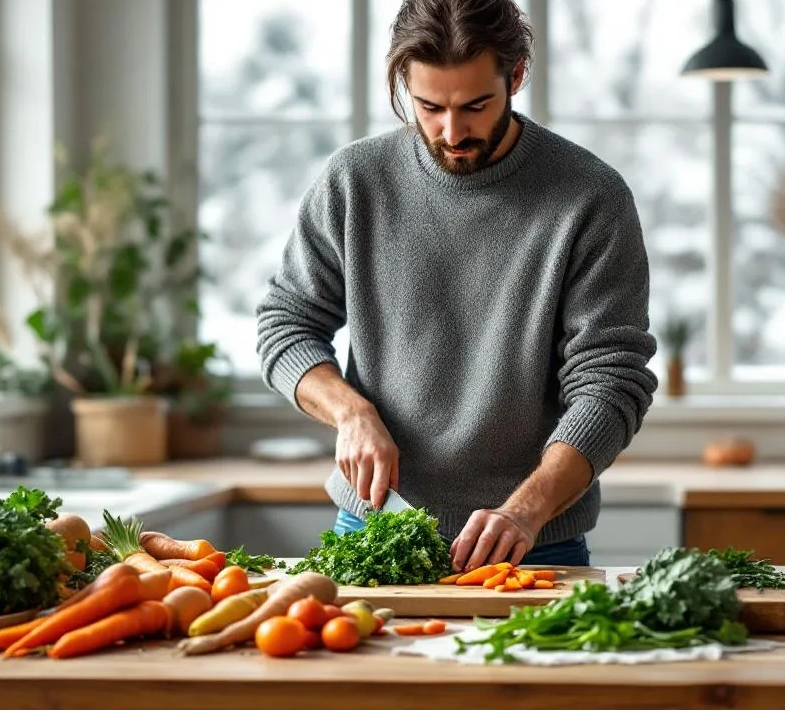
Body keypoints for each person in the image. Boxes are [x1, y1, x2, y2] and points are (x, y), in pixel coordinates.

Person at [255, 0, 657, 571]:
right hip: (372, 529)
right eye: (428, 106)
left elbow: (611, 381)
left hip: (533, 543)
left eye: (475, 105)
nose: (452, 132)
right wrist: (351, 412)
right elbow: (286, 324)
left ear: (516, 75)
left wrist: (525, 510)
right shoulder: (355, 181)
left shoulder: (589, 197)